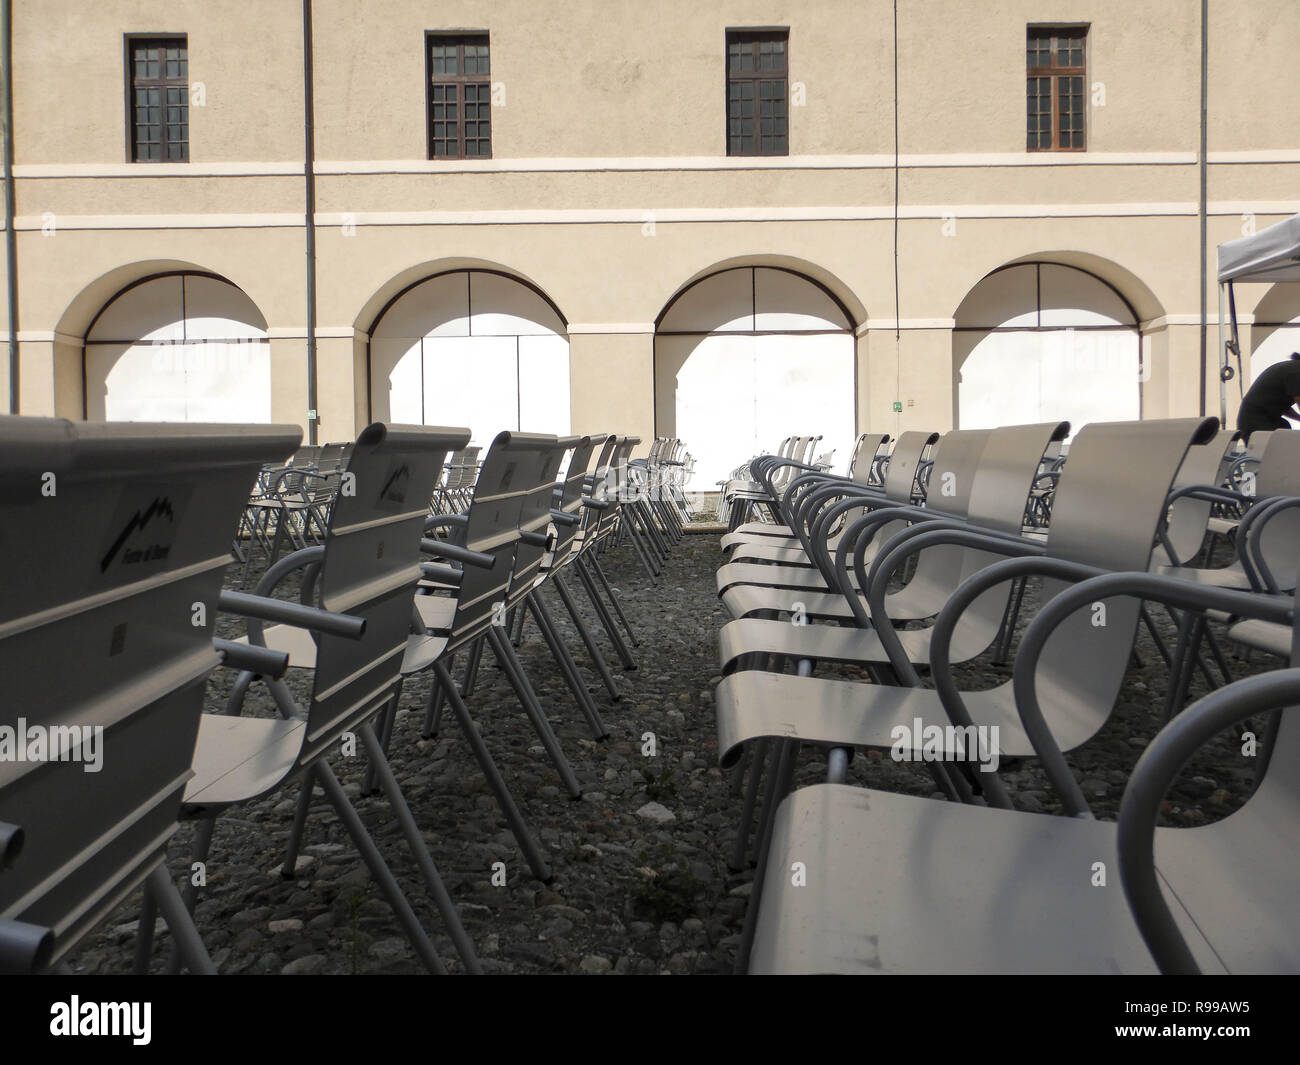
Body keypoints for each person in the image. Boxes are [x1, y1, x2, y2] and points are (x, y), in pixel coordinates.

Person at [1237, 352, 1300, 442]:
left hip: (1258, 420)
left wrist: (1298, 418)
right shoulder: (1296, 371)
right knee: (1277, 450)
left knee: (1285, 431)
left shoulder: (1292, 368)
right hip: (1257, 423)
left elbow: (1282, 406)